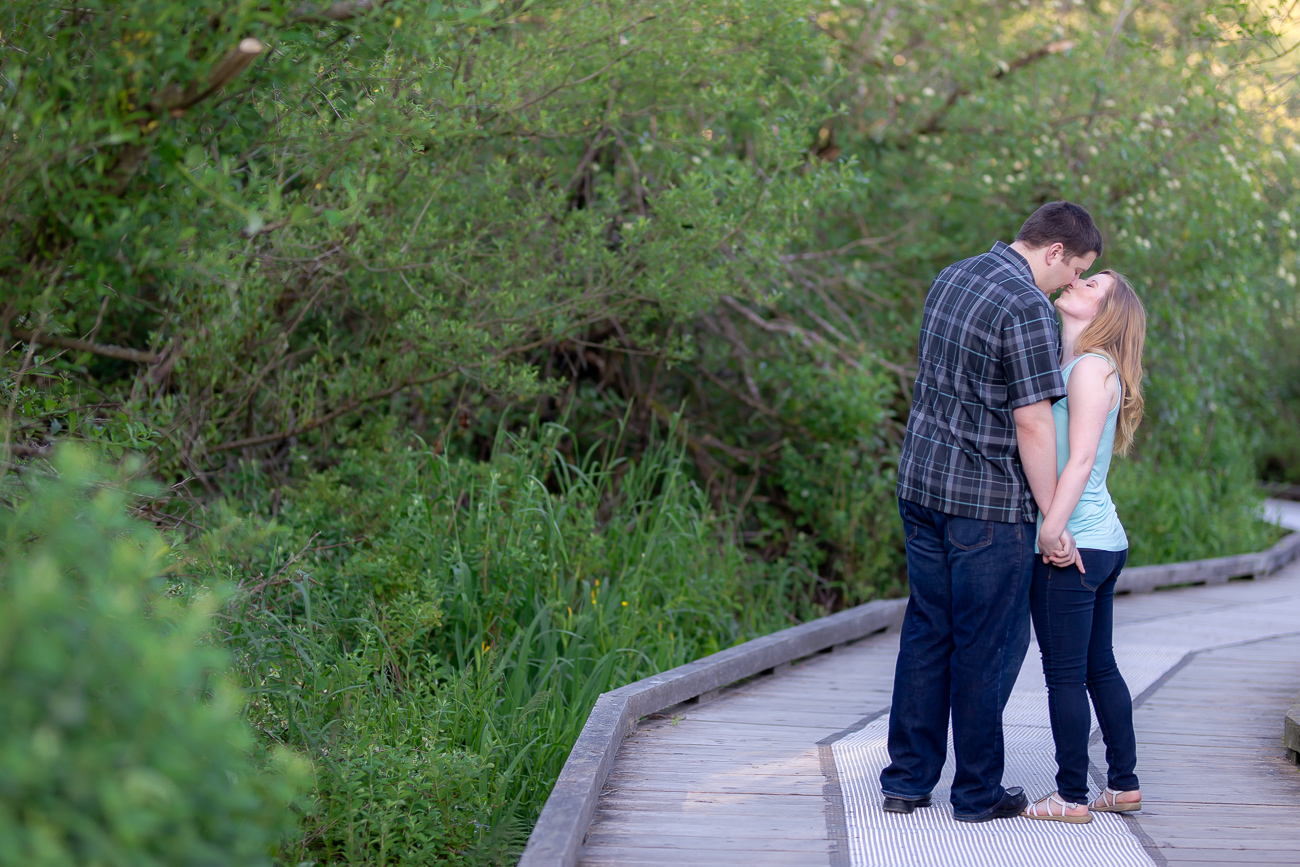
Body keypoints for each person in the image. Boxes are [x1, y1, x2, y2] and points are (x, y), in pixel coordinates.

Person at [880, 201, 1102, 823]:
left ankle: (905, 780)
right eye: (1075, 269)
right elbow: (1032, 423)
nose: (1070, 284)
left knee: (926, 630)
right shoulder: (1026, 305)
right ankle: (977, 793)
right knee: (986, 644)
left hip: (920, 486)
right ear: (1054, 251)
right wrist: (1051, 515)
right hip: (985, 505)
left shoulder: (953, 275)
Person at [1021, 270, 1147, 824]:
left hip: (1076, 544)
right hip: (1101, 541)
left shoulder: (1091, 369)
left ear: (1108, 311)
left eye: (1092, 282)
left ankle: (1071, 796)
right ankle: (1122, 786)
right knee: (1098, 668)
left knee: (1066, 674)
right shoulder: (1082, 366)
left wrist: (1052, 527)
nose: (1075, 280)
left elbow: (1077, 460)